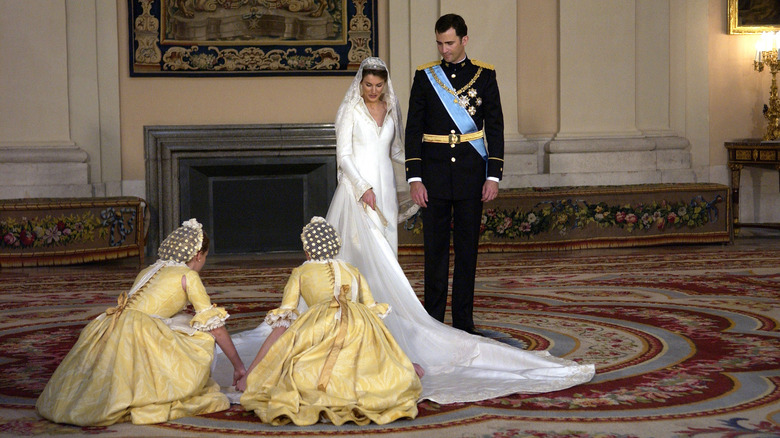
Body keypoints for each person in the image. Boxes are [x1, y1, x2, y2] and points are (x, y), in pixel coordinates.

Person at [213, 53, 594, 405]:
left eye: (379, 86)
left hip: (385, 189)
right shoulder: (349, 110)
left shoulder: (391, 107)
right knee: (361, 258)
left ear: (385, 85)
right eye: (368, 85)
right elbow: (342, 156)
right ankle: (344, 328)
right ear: (360, 83)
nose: (373, 91)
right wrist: (363, 190)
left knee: (386, 260)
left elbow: (396, 150)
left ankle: (380, 325)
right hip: (359, 191)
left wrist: (420, 175)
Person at [36, 219, 246, 426]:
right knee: (203, 335)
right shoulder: (188, 276)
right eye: (205, 257)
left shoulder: (149, 270)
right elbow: (216, 328)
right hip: (139, 330)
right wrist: (238, 366)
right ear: (199, 255)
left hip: (111, 324)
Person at [237, 217, 422, 426]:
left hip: (319, 327)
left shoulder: (300, 272)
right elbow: (377, 322)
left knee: (300, 375)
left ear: (307, 251)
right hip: (359, 325)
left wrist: (251, 374)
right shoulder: (353, 270)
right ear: (335, 246)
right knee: (368, 363)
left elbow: (281, 326)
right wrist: (402, 360)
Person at [405, 13, 504, 335]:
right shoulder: (425, 76)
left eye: (449, 43)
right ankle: (433, 321)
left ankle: (463, 322)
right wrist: (414, 177)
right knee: (433, 252)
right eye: (439, 43)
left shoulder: (484, 76)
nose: (443, 49)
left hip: (471, 175)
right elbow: (413, 130)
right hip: (432, 175)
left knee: (466, 251)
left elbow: (496, 127)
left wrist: (494, 175)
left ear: (464, 40)